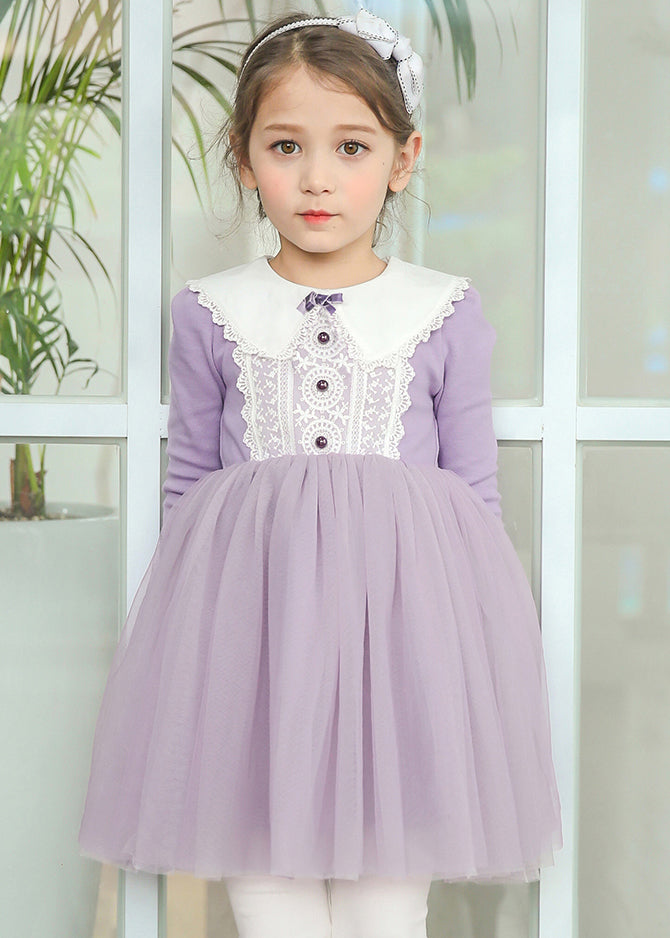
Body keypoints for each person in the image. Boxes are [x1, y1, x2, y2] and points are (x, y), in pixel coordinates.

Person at [79, 9, 562, 937]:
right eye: (285, 146)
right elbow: (190, 490)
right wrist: (195, 654)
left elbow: (474, 498)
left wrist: (468, 661)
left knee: (390, 904)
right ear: (243, 156)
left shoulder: (444, 310)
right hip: (257, 652)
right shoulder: (210, 311)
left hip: (404, 655)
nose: (316, 178)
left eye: (351, 147)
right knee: (268, 896)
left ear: (404, 158)